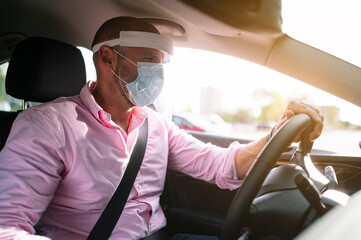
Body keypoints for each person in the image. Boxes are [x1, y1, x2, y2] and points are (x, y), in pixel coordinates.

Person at [0, 16, 324, 240]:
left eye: (161, 64)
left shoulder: (155, 124)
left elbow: (223, 166)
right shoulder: (47, 127)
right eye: (148, 61)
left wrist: (279, 132)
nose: (158, 74)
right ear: (108, 59)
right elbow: (7, 227)